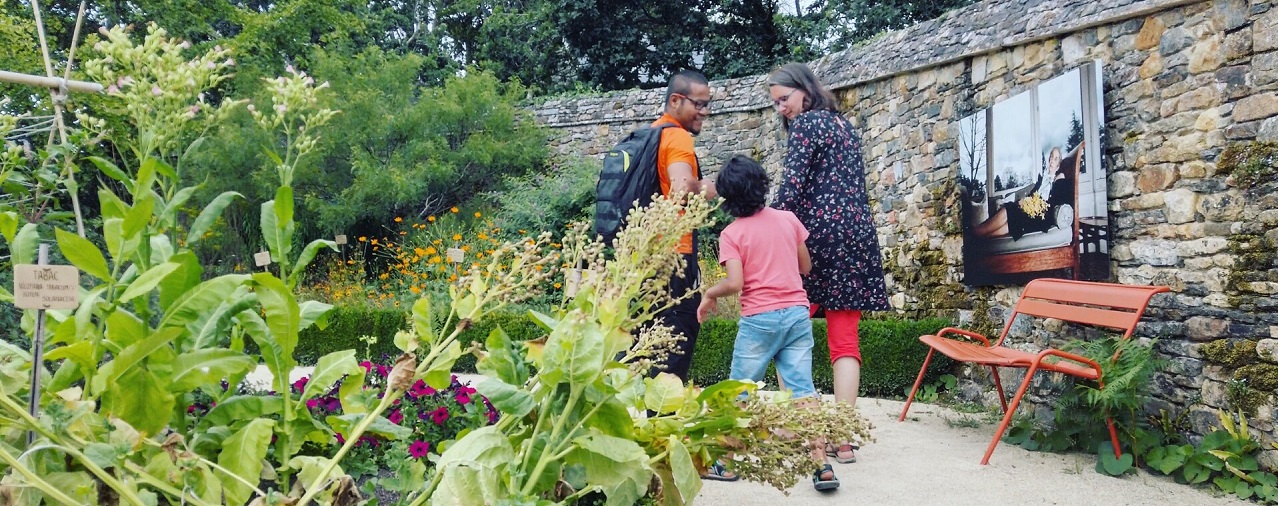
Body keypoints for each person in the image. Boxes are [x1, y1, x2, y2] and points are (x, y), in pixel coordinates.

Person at [768, 62, 890, 465]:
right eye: (776, 104)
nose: (781, 108)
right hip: (855, 238)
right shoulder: (843, 125)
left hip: (816, 240)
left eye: (784, 99)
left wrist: (763, 228)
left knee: (786, 332)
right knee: (845, 341)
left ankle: (802, 428)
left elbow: (791, 189)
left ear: (803, 90)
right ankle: (843, 438)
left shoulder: (806, 126)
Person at [697, 155, 839, 491]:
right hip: (795, 315)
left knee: (739, 390)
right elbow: (806, 267)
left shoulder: (731, 233)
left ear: (727, 197)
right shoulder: (789, 220)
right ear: (762, 186)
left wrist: (709, 293)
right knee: (803, 391)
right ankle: (822, 466)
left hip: (759, 320)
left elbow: (735, 283)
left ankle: (727, 463)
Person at [647, 69, 719, 384]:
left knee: (652, 345)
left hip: (647, 256)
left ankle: (652, 423)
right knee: (674, 346)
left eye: (707, 105)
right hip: (675, 257)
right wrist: (722, 187)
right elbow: (680, 189)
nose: (704, 112)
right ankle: (664, 425)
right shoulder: (676, 136)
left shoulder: (651, 133)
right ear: (676, 100)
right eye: (699, 105)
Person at [972, 146, 1076, 240]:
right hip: (1032, 211)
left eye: (1056, 158)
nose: (1051, 160)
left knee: (1008, 210)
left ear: (1059, 163)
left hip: (1041, 216)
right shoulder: (1042, 179)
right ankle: (978, 240)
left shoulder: (1059, 179)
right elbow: (1034, 196)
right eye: (1051, 156)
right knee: (1010, 222)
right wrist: (1025, 201)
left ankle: (973, 233)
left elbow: (1059, 201)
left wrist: (1059, 179)